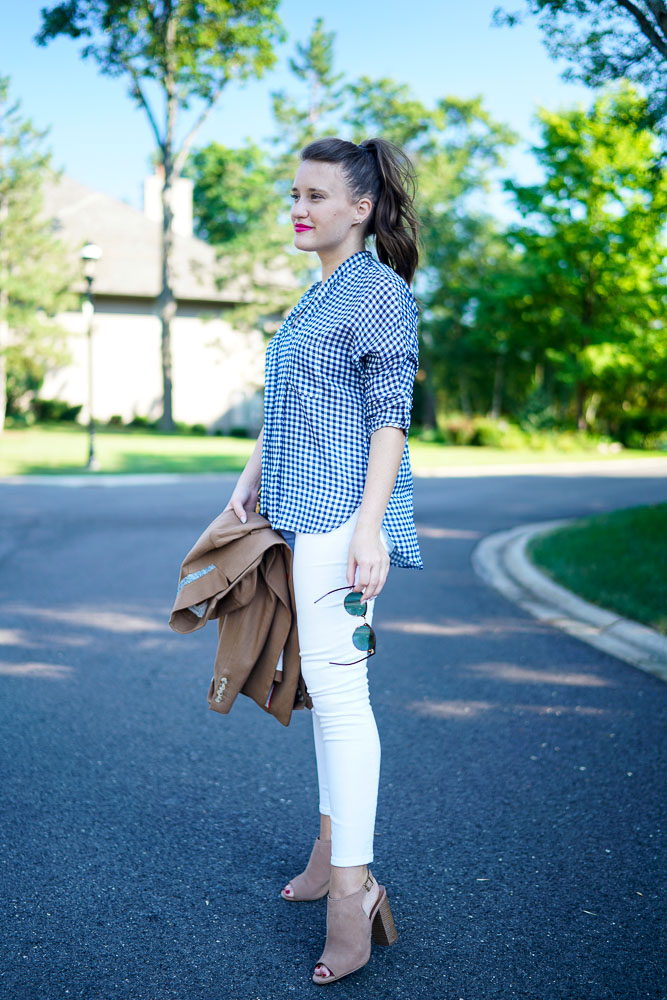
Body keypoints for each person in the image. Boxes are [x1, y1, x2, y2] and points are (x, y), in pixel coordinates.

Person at [223, 136, 423, 985]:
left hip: (344, 520)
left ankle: (353, 891)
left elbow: (389, 418)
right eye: (292, 193)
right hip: (301, 513)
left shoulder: (377, 292)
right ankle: (328, 852)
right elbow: (294, 405)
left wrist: (369, 527)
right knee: (326, 694)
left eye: (314, 195)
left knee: (342, 700)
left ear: (360, 208)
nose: (297, 207)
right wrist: (246, 479)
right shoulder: (316, 294)